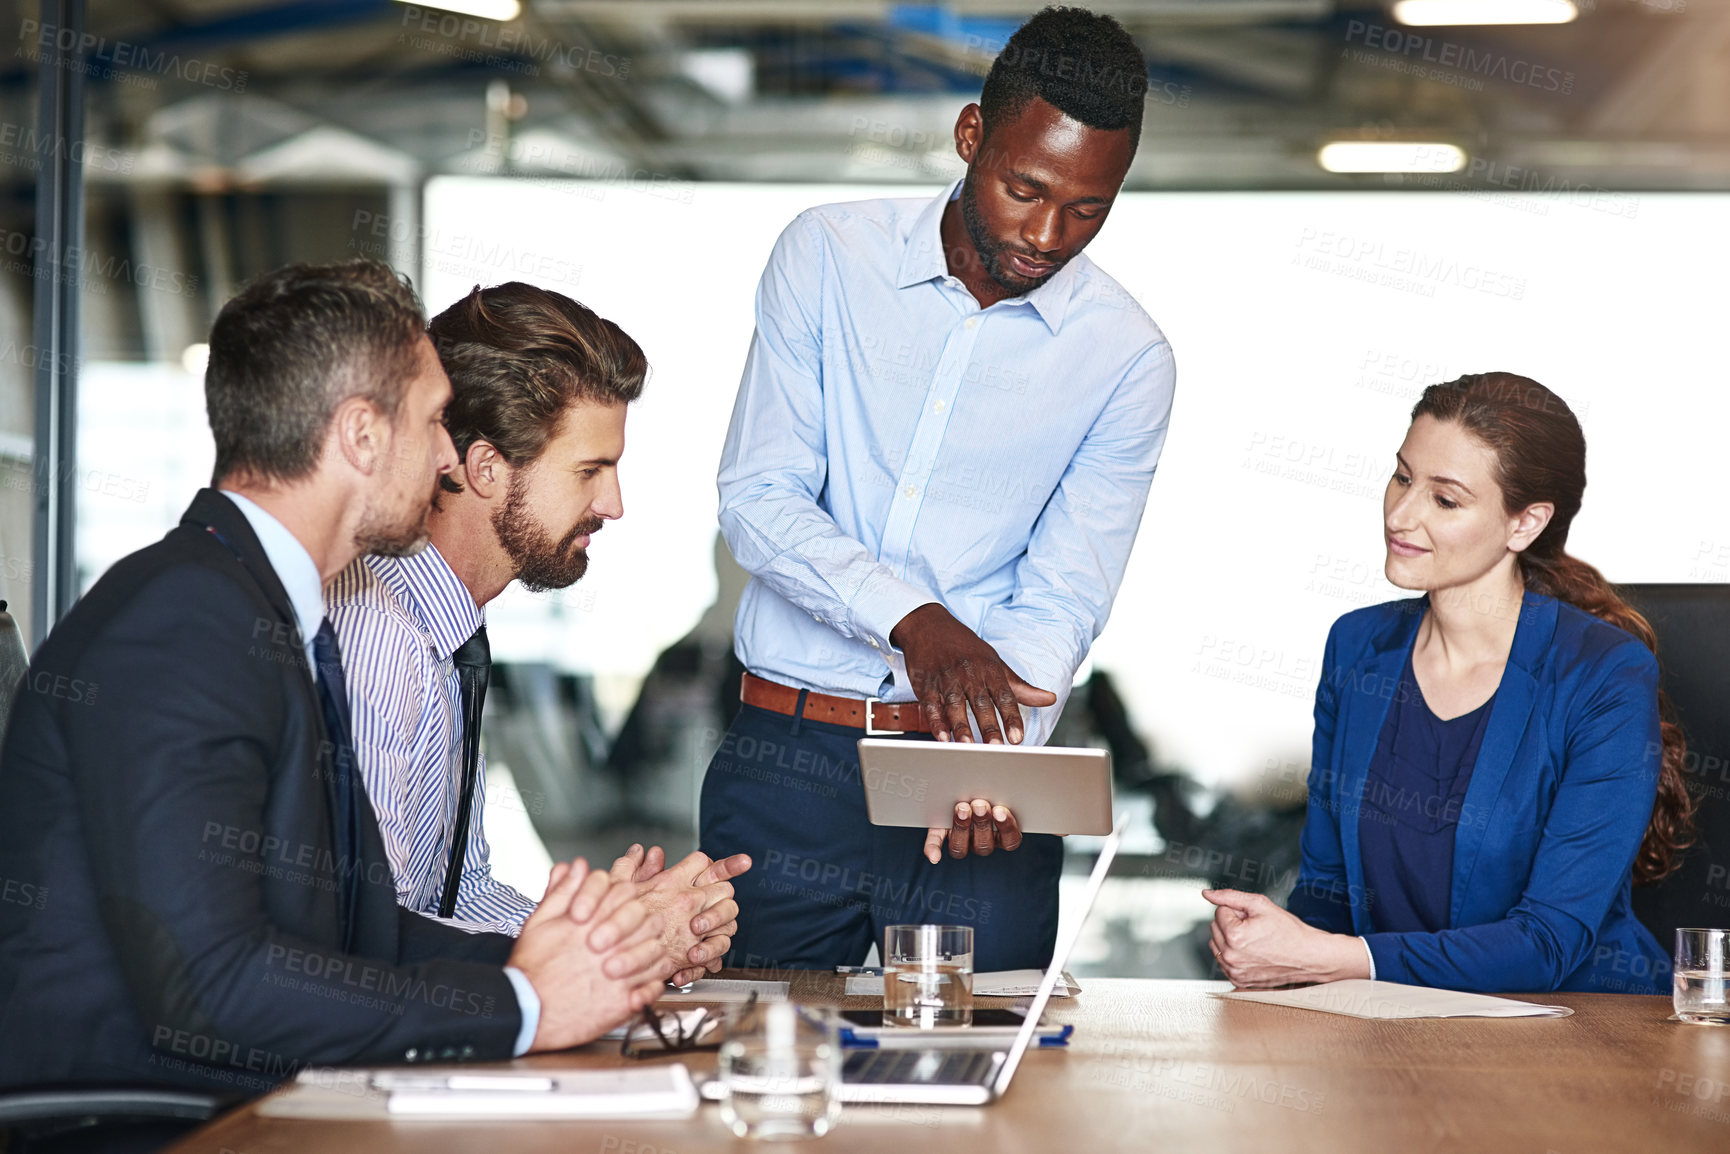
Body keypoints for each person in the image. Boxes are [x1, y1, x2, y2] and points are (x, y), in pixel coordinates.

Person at [0, 262, 671, 1093]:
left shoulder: (262, 609)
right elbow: (211, 985)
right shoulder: (184, 621)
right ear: (360, 435)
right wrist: (522, 1005)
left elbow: (352, 931)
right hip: (146, 1120)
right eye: (433, 422)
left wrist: (581, 965)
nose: (444, 459)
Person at [701, 6, 1177, 971]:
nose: (1049, 233)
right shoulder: (827, 257)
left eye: (1089, 207)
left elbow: (1065, 595)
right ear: (972, 136)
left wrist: (996, 759)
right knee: (754, 1063)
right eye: (1025, 188)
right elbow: (760, 498)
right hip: (789, 758)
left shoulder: (1129, 358)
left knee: (981, 1079)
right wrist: (917, 621)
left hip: (980, 792)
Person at [1204, 373, 1691, 994]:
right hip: (1398, 1027)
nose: (1401, 515)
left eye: (1446, 500)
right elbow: (1326, 886)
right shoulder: (1357, 648)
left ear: (1524, 524)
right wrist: (1275, 941)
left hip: (1582, 1037)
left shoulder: (1603, 673)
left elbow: (1548, 943)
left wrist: (1342, 958)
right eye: (1403, 477)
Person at [327, 282, 749, 985]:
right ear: (488, 468)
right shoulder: (379, 639)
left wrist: (624, 930)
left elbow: (460, 897)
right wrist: (608, 954)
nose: (613, 505)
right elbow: (372, 935)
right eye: (589, 471)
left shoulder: (451, 630)